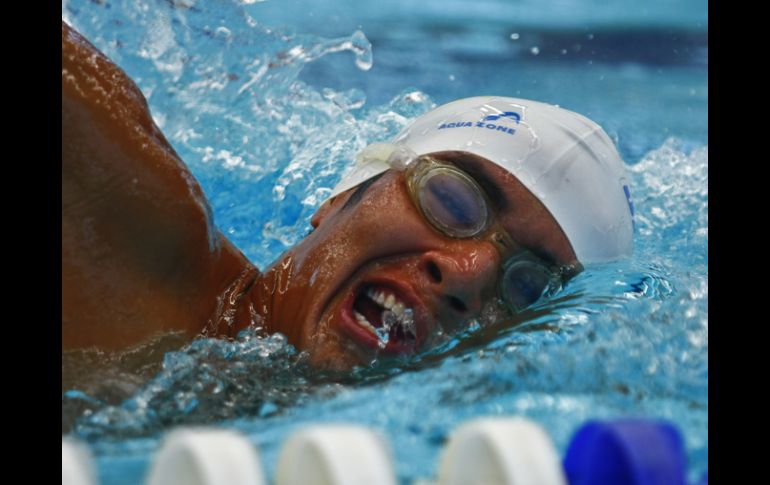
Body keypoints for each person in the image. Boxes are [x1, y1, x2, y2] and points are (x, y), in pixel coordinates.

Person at [62, 21, 634, 370]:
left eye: (525, 284)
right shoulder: (130, 227)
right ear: (341, 196)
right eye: (453, 202)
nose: (466, 271)